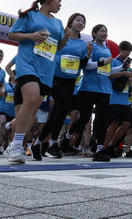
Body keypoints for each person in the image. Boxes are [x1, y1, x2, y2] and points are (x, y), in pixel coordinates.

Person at [7, 0, 64, 164]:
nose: (60, 4)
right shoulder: (29, 15)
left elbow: (58, 46)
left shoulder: (58, 23)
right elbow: (12, 34)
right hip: (27, 64)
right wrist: (31, 36)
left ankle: (15, 140)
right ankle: (17, 145)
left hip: (47, 69)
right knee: (30, 99)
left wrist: (68, 37)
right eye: (58, 0)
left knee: (32, 108)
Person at [40, 13, 91, 158]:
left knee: (57, 110)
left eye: (83, 21)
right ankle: (53, 144)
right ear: (71, 22)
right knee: (63, 107)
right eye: (78, 20)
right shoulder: (61, 36)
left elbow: (83, 65)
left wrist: (87, 54)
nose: (80, 23)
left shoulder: (83, 44)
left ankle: (39, 142)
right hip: (56, 77)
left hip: (71, 81)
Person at [62, 24, 114, 157]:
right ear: (94, 33)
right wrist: (103, 63)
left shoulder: (108, 50)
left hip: (104, 88)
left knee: (102, 118)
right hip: (88, 87)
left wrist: (122, 68)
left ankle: (99, 148)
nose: (105, 33)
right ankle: (67, 138)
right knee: (84, 118)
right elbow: (87, 65)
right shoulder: (90, 46)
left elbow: (109, 70)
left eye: (106, 32)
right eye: (102, 31)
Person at [95, 41, 132, 161]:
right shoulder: (114, 62)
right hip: (114, 97)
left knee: (127, 124)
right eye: (126, 51)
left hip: (125, 99)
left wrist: (131, 77)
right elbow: (108, 74)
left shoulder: (127, 65)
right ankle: (104, 148)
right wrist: (123, 72)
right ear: (120, 50)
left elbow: (129, 82)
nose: (127, 54)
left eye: (129, 52)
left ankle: (112, 145)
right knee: (114, 123)